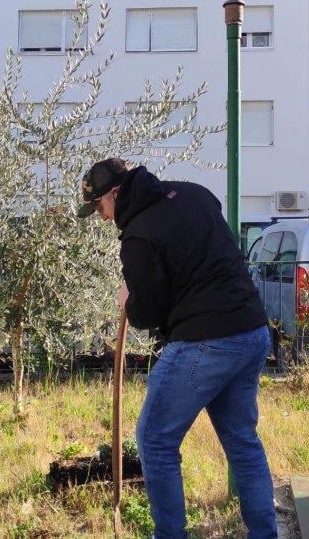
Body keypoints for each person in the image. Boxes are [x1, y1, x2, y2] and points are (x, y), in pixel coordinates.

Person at [78, 158, 278, 539]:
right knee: (242, 442)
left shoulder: (138, 235)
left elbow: (148, 312)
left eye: (100, 207)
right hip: (251, 331)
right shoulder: (194, 193)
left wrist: (128, 301)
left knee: (155, 439)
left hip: (206, 342)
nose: (103, 218)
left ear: (116, 194)